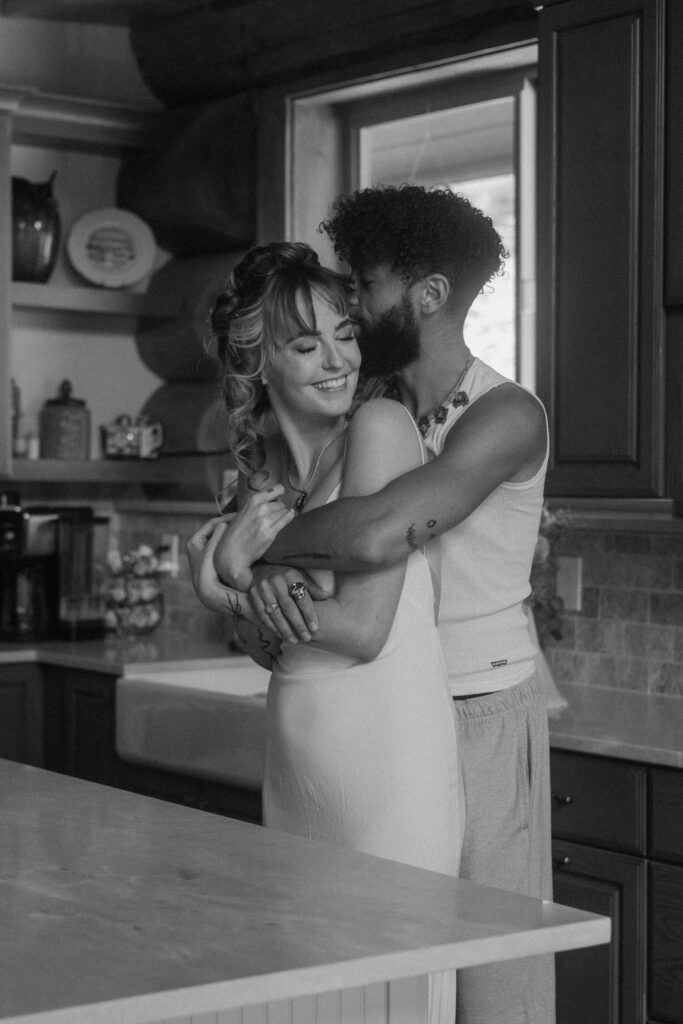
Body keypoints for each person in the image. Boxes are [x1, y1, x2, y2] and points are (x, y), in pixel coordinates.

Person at [199, 186, 555, 1024]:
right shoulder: (367, 406)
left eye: (362, 289)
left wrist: (242, 552)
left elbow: (373, 538)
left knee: (491, 981)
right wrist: (243, 575)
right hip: (396, 705)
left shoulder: (501, 413)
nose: (349, 304)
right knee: (395, 978)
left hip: (479, 705)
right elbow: (293, 620)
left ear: (426, 296)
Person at [187, 241, 460, 1024]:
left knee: (393, 999)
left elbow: (362, 631)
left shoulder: (378, 428)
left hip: (389, 772)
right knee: (308, 999)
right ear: (257, 364)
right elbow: (274, 651)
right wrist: (240, 598)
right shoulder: (260, 479)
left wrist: (228, 584)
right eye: (306, 345)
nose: (337, 359)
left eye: (344, 333)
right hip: (300, 764)